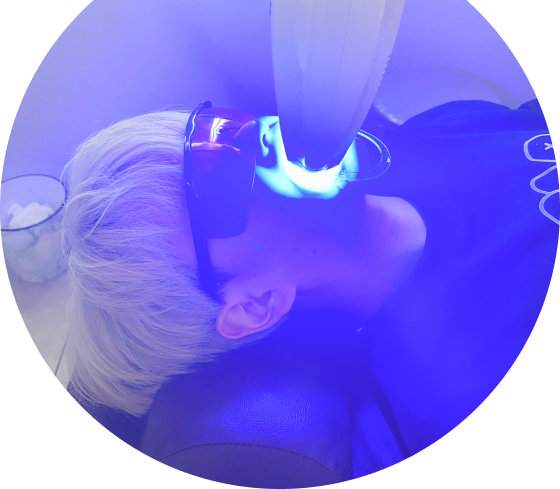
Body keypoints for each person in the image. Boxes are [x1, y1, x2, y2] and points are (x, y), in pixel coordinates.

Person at [65, 97, 556, 467]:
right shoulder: (463, 387)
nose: (257, 135)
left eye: (219, 128)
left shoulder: (434, 128)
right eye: (215, 183)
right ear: (256, 304)